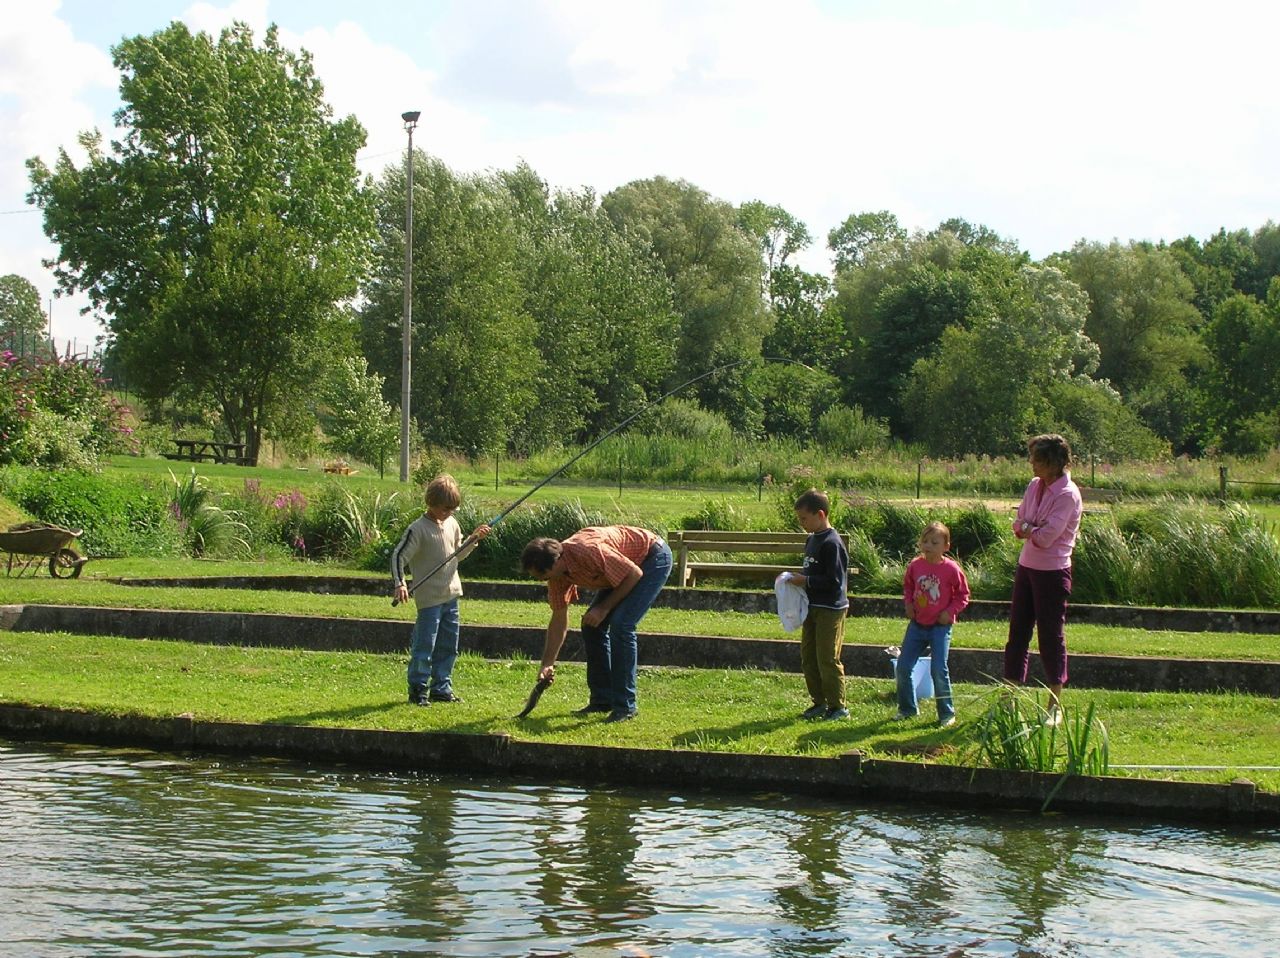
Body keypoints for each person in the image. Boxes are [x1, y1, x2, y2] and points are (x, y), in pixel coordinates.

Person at [521, 525, 672, 723]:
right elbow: (558, 619)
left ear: (556, 563)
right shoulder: (556, 576)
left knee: (622, 625)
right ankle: (602, 700)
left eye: (544, 576)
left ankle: (625, 706)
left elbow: (634, 574)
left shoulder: (588, 551)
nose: (544, 581)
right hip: (624, 568)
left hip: (651, 558)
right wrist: (547, 664)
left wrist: (603, 609)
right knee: (591, 626)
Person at [391, 474, 491, 705]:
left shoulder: (452, 524)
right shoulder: (418, 530)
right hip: (430, 600)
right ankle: (418, 688)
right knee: (425, 645)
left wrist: (474, 539)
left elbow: (457, 555)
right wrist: (400, 583)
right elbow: (398, 555)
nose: (450, 513)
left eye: (454, 509)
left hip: (452, 596)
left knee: (448, 646)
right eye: (446, 509)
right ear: (432, 503)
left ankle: (441, 687)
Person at [1005, 434, 1083, 726]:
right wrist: (1030, 528)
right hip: (1027, 568)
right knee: (1017, 635)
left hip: (1052, 573)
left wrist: (1029, 528)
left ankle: (1054, 704)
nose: (1032, 464)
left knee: (1050, 637)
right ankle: (1008, 698)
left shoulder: (1067, 494)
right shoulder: (1034, 486)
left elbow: (1047, 538)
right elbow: (1018, 523)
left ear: (1053, 463)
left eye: (1037, 459)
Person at [894, 521, 970, 727]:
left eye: (934, 542)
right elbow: (908, 587)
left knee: (938, 669)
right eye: (924, 541)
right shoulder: (915, 566)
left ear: (946, 546)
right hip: (917, 625)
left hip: (940, 627)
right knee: (903, 667)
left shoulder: (951, 569)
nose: (928, 546)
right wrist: (908, 603)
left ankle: (946, 713)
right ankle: (907, 708)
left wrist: (949, 612)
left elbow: (963, 595)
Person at [785, 489, 850, 721]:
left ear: (820, 514)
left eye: (804, 518)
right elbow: (811, 570)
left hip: (831, 609)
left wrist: (806, 581)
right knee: (809, 656)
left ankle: (838, 706)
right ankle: (819, 702)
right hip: (811, 607)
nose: (801, 523)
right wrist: (797, 580)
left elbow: (834, 582)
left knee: (827, 657)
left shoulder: (832, 543)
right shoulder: (812, 539)